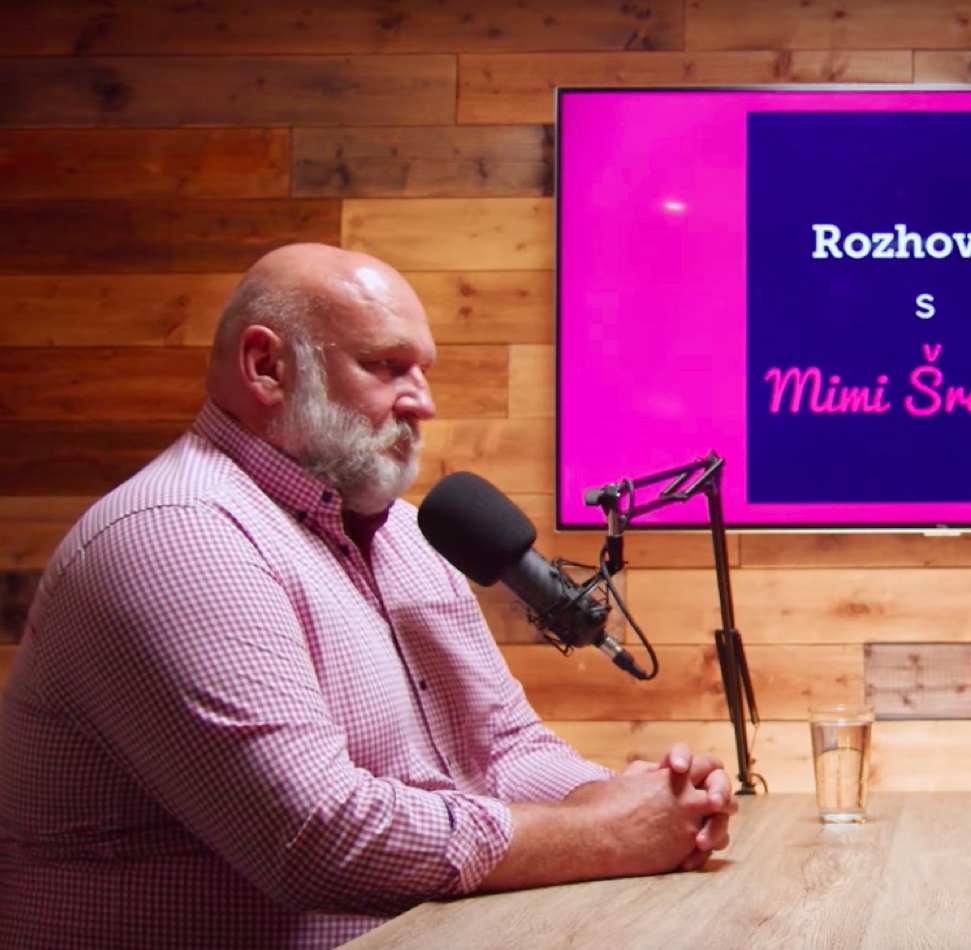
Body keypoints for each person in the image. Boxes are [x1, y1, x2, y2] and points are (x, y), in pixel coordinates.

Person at [0, 244, 737, 949]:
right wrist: (605, 834)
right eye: (387, 366)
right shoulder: (179, 534)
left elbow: (501, 746)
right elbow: (318, 838)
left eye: (423, 372)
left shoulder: (409, 536)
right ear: (266, 367)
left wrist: (641, 803)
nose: (424, 404)